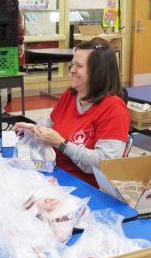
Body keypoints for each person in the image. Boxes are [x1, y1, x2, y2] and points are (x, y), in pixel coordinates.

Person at [14, 41, 129, 186]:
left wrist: (62, 144)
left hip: (86, 187)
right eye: (72, 64)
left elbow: (104, 164)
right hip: (55, 174)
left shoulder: (114, 109)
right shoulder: (70, 95)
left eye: (79, 66)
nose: (72, 70)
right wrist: (33, 131)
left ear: (98, 72)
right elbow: (49, 129)